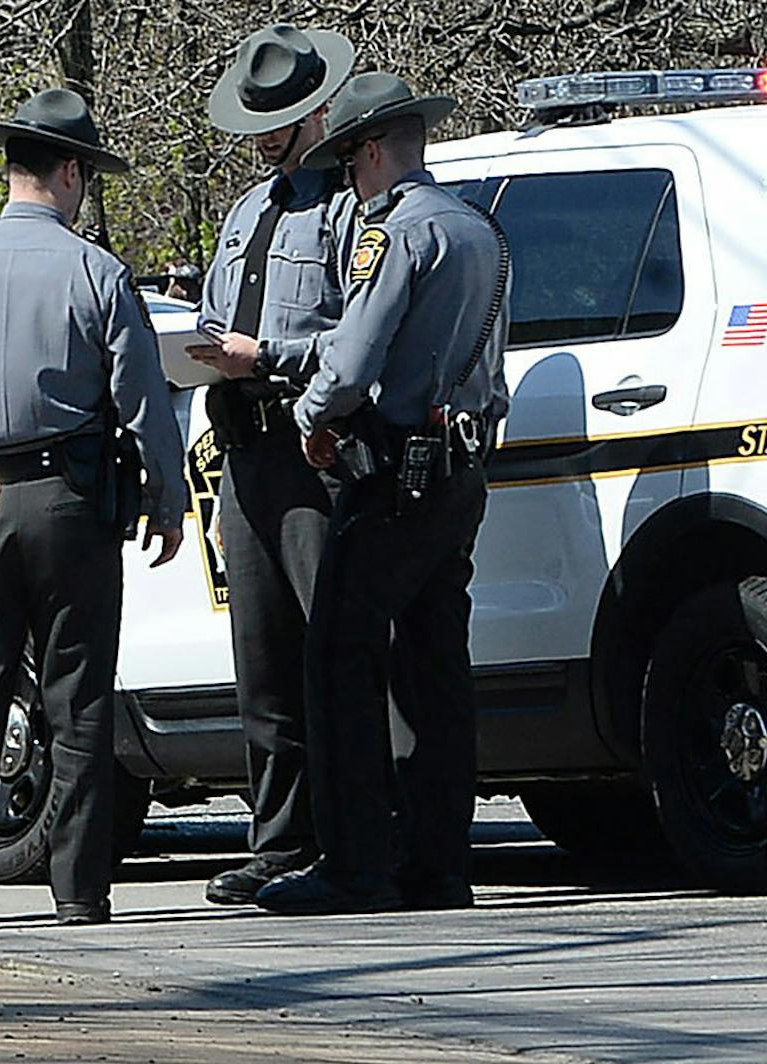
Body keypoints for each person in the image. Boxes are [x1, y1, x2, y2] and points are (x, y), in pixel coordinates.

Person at [0, 88, 187, 932]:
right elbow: (143, 404)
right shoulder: (96, 273)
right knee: (77, 695)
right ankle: (79, 890)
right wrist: (166, 499)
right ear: (70, 174)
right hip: (69, 500)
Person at [255, 71, 510, 915]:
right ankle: (439, 862)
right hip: (460, 470)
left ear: (370, 152)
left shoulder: (395, 235)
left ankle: (354, 861)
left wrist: (310, 414)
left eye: (348, 161)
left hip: (395, 471)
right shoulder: (481, 229)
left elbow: (352, 360)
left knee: (339, 654)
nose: (348, 180)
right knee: (436, 665)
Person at [186, 23, 358, 905]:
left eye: (278, 123)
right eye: (255, 123)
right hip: (245, 449)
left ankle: (349, 835)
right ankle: (278, 839)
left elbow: (359, 336)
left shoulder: (349, 210)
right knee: (260, 657)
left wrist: (271, 356)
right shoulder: (246, 212)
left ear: (316, 113)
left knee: (331, 648)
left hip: (312, 445)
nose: (264, 139)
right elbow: (219, 316)